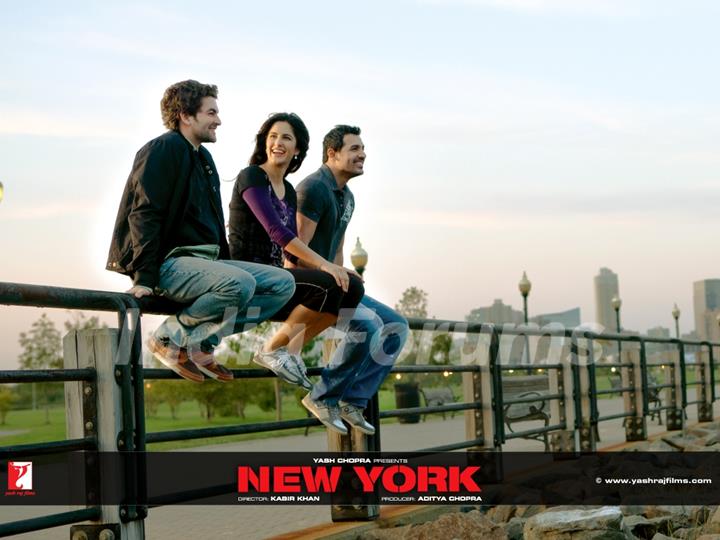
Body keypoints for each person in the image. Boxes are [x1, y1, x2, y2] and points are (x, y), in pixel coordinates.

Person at [107, 80, 295, 383]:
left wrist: (227, 261)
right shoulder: (161, 150)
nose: (218, 120)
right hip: (171, 263)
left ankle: (199, 342)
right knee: (241, 284)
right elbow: (144, 214)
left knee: (283, 284)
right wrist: (144, 277)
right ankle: (169, 337)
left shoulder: (204, 159)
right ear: (186, 115)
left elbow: (214, 221)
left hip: (208, 263)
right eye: (211, 112)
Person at [229, 113, 364, 434]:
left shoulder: (288, 190)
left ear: (297, 150)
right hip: (247, 271)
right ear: (265, 141)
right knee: (334, 286)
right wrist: (325, 266)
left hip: (275, 274)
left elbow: (290, 247)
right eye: (273, 136)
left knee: (351, 289)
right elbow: (277, 232)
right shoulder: (251, 177)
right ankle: (274, 350)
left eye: (286, 138)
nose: (278, 143)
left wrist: (338, 269)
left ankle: (288, 353)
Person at [294, 125, 409, 436]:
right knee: (368, 326)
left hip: (334, 283)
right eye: (355, 149)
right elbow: (294, 252)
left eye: (362, 148)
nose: (363, 154)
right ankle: (321, 397)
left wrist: (344, 275)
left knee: (396, 326)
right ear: (332, 154)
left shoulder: (347, 196)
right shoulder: (313, 188)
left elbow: (338, 246)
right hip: (309, 287)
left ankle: (352, 401)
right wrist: (330, 278)